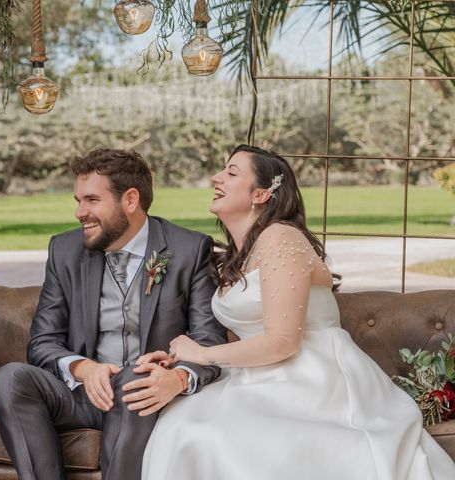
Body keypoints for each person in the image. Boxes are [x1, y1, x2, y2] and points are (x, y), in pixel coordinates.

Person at [141, 144, 455, 479]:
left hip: (310, 377)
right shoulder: (242, 253)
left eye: (231, 172)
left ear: (261, 194)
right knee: (183, 422)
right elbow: (243, 333)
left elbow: (283, 342)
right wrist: (180, 360)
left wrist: (202, 354)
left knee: (215, 434)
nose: (216, 177)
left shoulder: (280, 237)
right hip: (257, 375)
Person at [0, 148, 228, 480]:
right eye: (78, 200)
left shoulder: (189, 249)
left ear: (130, 200)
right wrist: (83, 368)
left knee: (136, 379)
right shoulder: (64, 250)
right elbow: (43, 342)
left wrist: (176, 378)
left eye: (91, 200)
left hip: (146, 396)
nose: (79, 212)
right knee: (11, 379)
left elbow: (208, 340)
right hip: (81, 394)